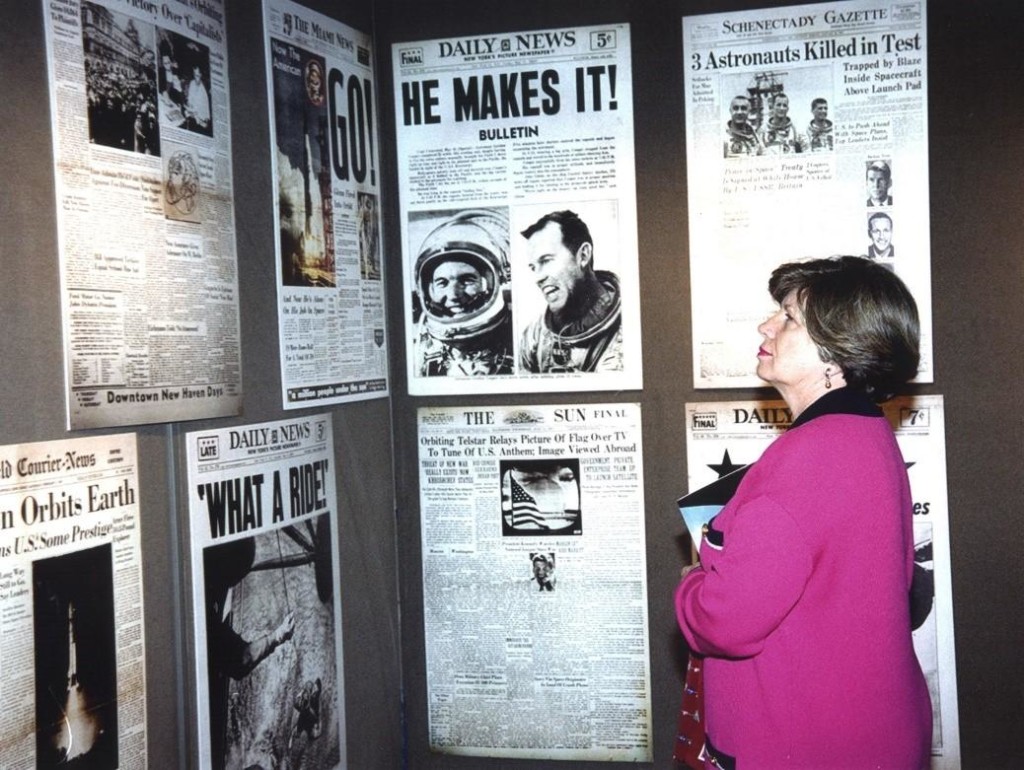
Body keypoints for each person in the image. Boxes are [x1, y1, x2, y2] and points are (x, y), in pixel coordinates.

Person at [675, 256, 931, 769]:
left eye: (789, 317)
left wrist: (690, 585)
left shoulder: (803, 459)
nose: (766, 325)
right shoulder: (868, 435)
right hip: (868, 735)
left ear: (836, 353)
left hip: (798, 742)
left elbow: (727, 623)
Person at [519, 210, 623, 373]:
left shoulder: (628, 330)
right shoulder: (534, 336)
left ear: (583, 255)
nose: (538, 278)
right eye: (533, 267)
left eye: (546, 260)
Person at [413, 209, 514, 376]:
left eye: (467, 280)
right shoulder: (420, 349)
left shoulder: (521, 338)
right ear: (428, 289)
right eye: (442, 283)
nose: (453, 295)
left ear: (491, 282)